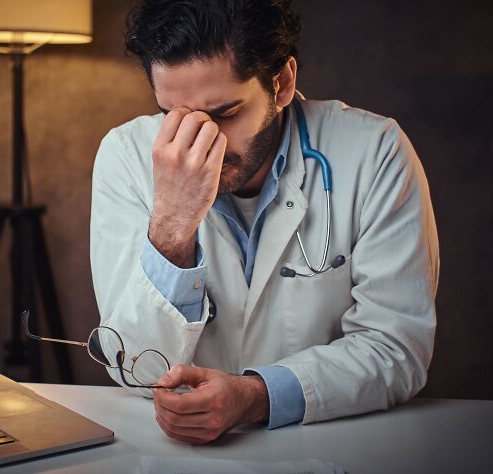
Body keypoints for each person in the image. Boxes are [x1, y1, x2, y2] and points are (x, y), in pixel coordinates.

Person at [90, 0, 439, 445]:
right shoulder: (124, 156)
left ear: (283, 82)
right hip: (169, 449)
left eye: (225, 113)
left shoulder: (376, 152)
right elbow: (132, 365)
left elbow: (395, 350)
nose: (202, 141)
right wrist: (173, 223)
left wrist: (256, 396)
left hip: (331, 443)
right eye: (172, 115)